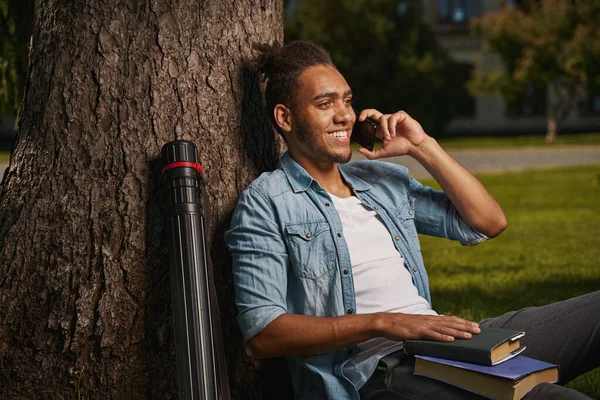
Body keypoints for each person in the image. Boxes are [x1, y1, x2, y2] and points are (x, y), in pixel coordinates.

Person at [224, 41, 599, 400]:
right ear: (285, 118)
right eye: (325, 104)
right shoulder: (266, 203)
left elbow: (487, 221)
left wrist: (423, 147)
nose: (345, 115)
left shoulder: (382, 182)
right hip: (381, 373)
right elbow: (264, 333)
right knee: (546, 396)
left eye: (348, 101)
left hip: (447, 343)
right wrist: (385, 323)